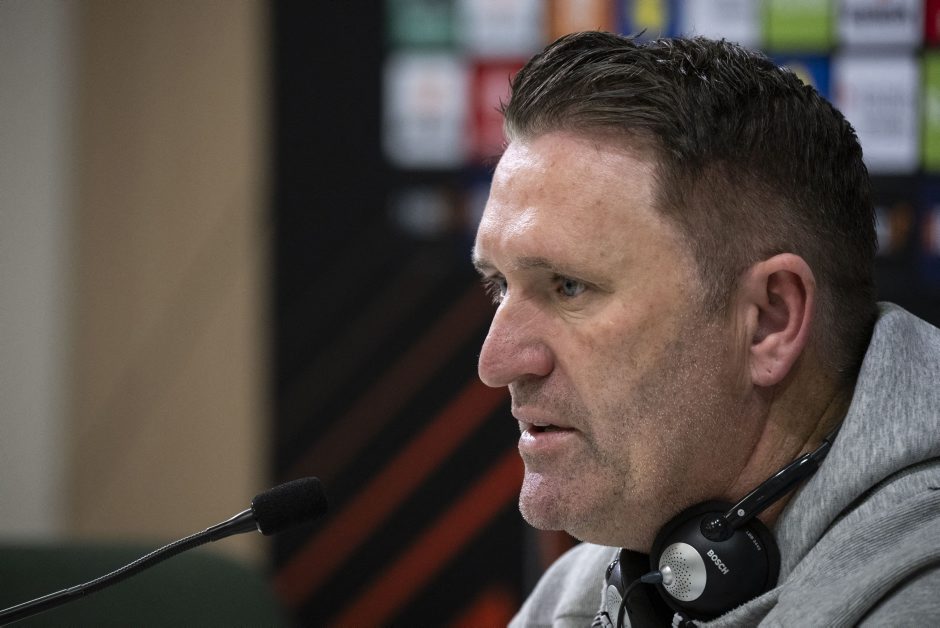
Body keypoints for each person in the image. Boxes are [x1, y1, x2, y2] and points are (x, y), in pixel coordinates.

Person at [471, 31, 940, 627]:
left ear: (769, 321)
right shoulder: (586, 590)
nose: (496, 362)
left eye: (569, 286)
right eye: (499, 285)